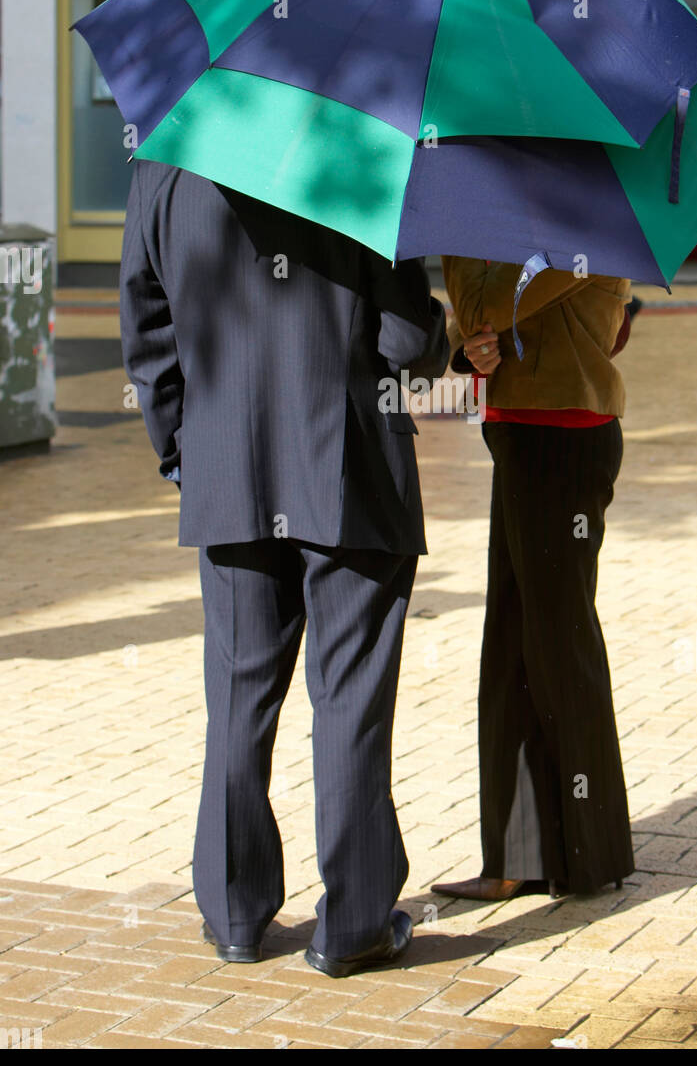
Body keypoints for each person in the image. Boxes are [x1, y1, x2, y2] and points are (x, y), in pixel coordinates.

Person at [119, 161, 447, 975]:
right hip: (350, 474)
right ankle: (354, 924)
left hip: (228, 469)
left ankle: (234, 914)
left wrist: (183, 455)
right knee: (351, 701)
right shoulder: (357, 152)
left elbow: (146, 333)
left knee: (237, 693)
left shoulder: (163, 166)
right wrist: (441, 333)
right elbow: (405, 340)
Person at [432, 258, 635, 901]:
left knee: (560, 642)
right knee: (513, 646)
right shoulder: (517, 223)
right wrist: (469, 354)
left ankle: (589, 853)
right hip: (518, 431)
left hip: (564, 435)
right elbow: (475, 330)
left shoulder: (579, 212)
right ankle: (520, 854)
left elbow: (484, 308)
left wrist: (464, 254)